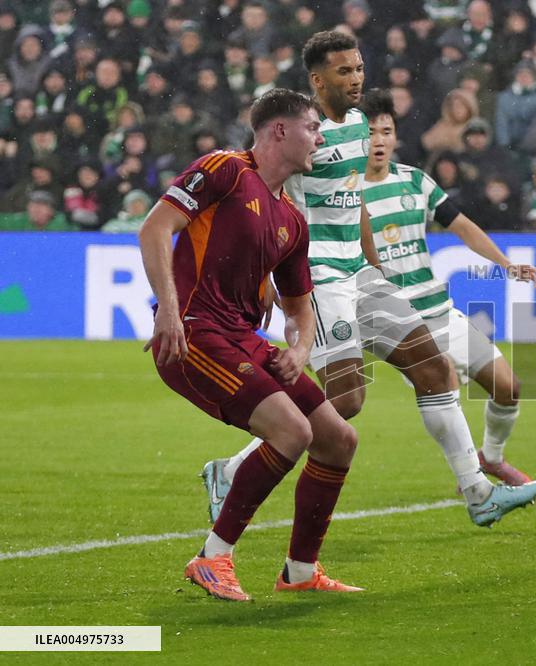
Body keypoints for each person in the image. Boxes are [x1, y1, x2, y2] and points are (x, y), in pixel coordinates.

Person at [203, 31, 536, 528]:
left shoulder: (361, 123)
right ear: (317, 80)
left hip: (361, 273)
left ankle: (477, 492)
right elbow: (260, 202)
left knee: (434, 371)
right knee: (345, 402)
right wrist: (268, 280)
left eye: (359, 68)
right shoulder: (299, 131)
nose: (357, 79)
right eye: (344, 72)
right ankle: (231, 471)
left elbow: (355, 197)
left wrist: (375, 266)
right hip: (318, 276)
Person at [139, 88, 361, 602]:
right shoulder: (224, 169)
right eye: (312, 127)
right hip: (194, 333)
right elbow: (155, 229)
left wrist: (301, 349)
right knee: (291, 430)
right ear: (279, 129)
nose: (320, 138)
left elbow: (301, 306)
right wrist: (168, 311)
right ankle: (212, 556)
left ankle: (301, 571)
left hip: (242, 337)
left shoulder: (292, 220)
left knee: (339, 438)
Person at [358, 88, 536, 482]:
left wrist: (506, 264)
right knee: (444, 385)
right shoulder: (343, 195)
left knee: (508, 388)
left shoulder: (416, 183)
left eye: (385, 131)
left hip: (438, 311)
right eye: (370, 132)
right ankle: (473, 483)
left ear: (395, 136)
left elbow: (463, 227)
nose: (379, 141)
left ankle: (491, 458)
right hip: (395, 320)